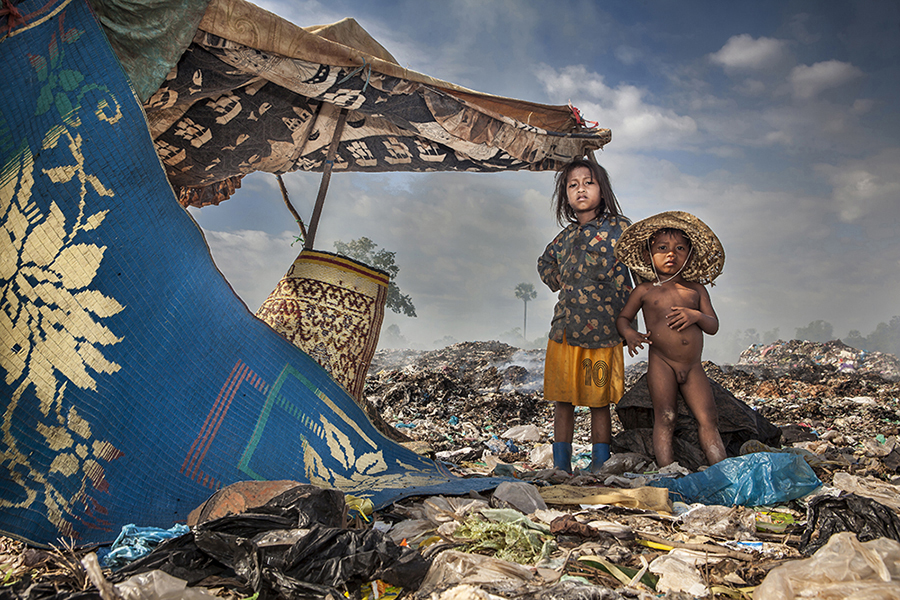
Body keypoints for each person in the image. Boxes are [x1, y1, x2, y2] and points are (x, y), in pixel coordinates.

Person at [537, 157, 633, 473]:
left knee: (598, 401)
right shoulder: (564, 239)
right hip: (564, 330)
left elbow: (643, 274)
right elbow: (544, 263)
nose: (581, 189)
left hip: (604, 334)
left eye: (588, 182)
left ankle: (599, 465)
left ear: (602, 191)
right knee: (563, 401)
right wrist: (558, 279)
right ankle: (562, 467)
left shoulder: (621, 229)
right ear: (565, 195)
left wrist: (636, 323)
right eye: (573, 184)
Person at [614, 211, 727, 467]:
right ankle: (667, 470)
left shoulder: (696, 290)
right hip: (661, 363)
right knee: (665, 416)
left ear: (689, 255)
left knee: (708, 418)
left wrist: (695, 315)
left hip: (693, 365)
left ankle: (723, 468)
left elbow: (713, 325)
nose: (671, 254)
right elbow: (623, 319)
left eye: (679, 249)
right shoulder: (644, 291)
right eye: (662, 248)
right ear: (648, 255)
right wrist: (630, 334)